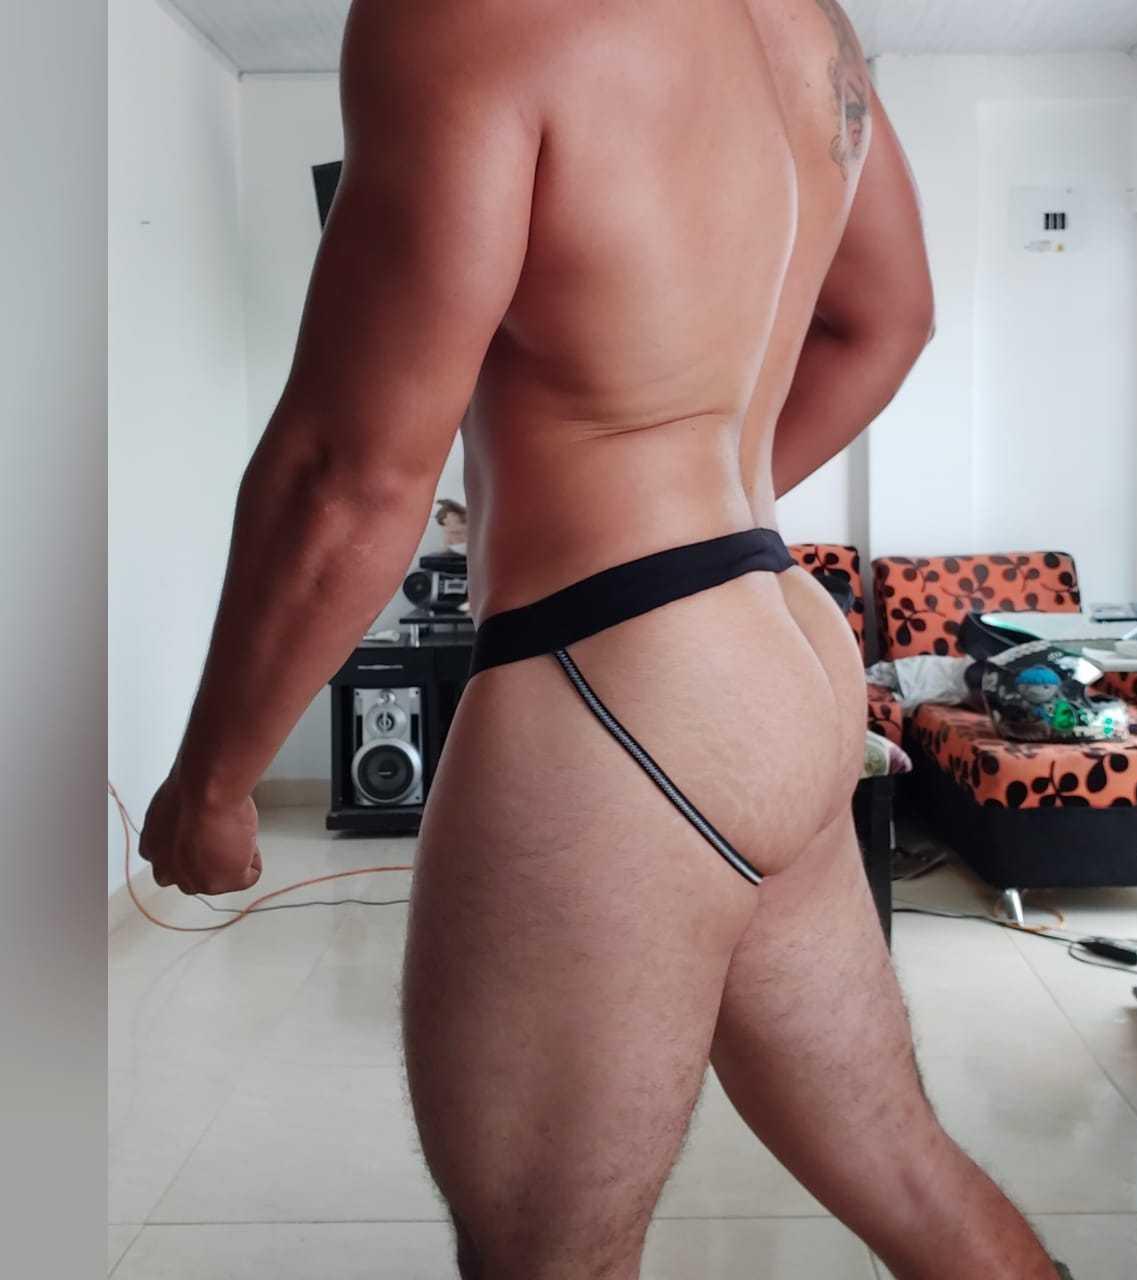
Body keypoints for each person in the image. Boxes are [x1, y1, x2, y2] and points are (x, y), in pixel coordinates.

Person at [139, 2, 1066, 1277]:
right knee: (906, 1169)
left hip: (616, 680)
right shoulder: (805, 23)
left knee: (542, 1258)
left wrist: (212, 780)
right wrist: (697, 534)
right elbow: (886, 320)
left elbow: (347, 474)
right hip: (779, 639)